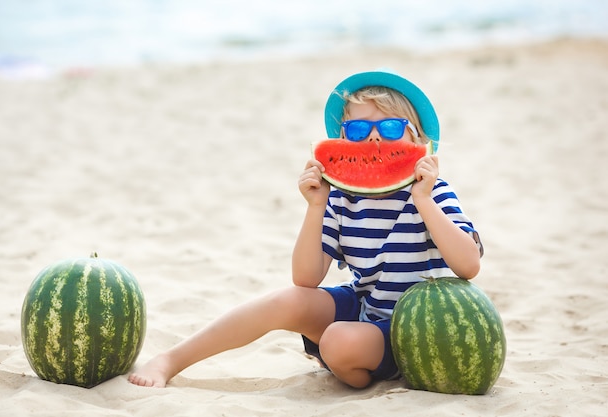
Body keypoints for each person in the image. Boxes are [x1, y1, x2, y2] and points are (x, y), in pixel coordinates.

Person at [128, 69, 483, 389]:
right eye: (359, 130)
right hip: (365, 309)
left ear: (417, 137)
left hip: (420, 330)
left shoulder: (434, 191)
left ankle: (360, 363)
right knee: (287, 300)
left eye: (390, 127)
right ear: (343, 140)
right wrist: (316, 206)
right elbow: (306, 279)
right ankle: (171, 360)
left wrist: (424, 200)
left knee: (338, 342)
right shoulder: (344, 199)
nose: (374, 140)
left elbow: (468, 266)